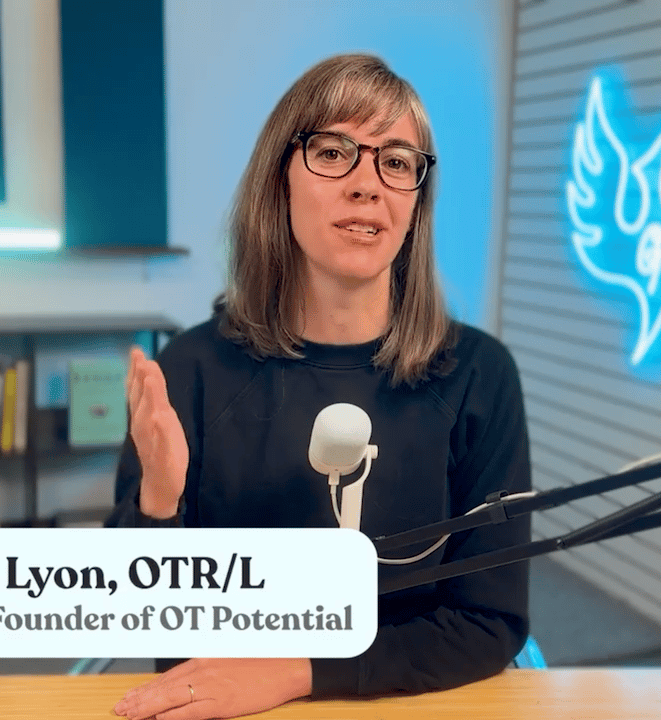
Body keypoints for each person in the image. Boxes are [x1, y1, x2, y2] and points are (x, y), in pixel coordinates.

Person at [109, 53, 532, 720]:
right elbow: (142, 615)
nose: (368, 184)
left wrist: (296, 672)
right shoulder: (191, 371)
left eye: (396, 161)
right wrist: (158, 502)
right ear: (279, 181)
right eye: (334, 151)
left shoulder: (480, 376)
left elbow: (490, 622)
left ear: (417, 200)